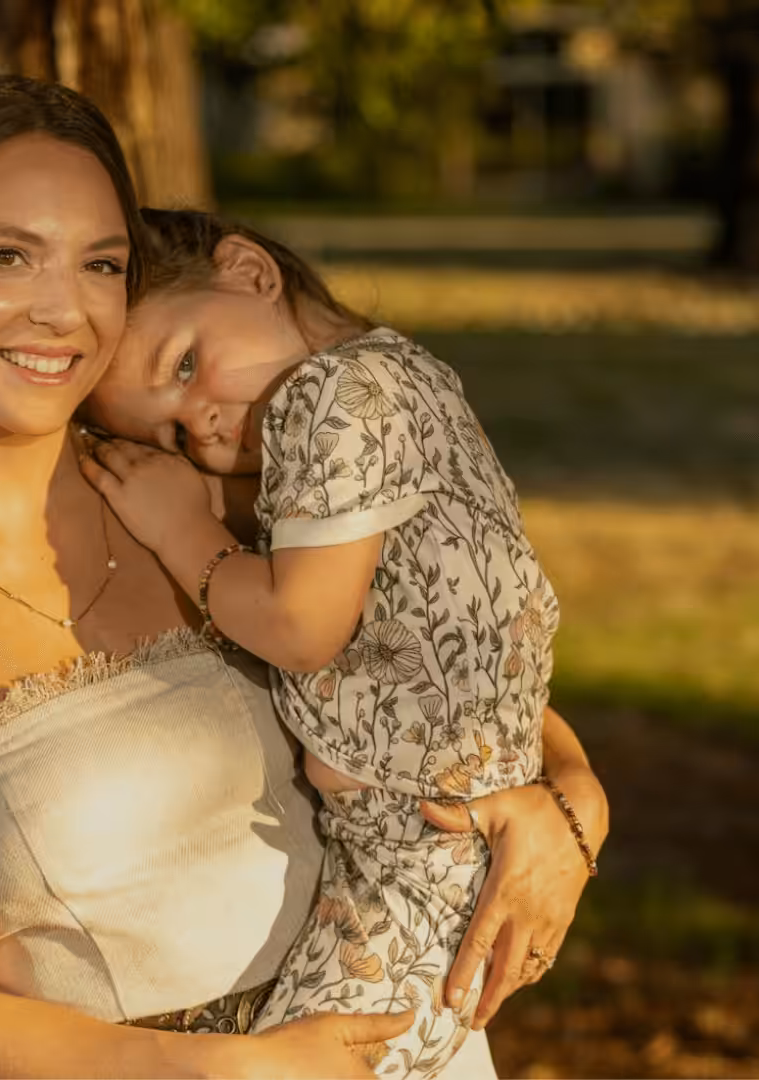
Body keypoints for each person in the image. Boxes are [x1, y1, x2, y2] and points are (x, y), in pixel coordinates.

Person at [0, 76, 607, 1079]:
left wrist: (571, 808)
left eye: (99, 263)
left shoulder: (198, 503)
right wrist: (236, 1072)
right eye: (7, 255)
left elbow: (454, 665)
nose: (61, 309)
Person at [78, 209, 591, 1078]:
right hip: (453, 842)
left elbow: (303, 629)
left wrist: (184, 538)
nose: (201, 422)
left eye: (187, 364)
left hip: (415, 845)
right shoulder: (413, 376)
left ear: (249, 271)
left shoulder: (329, 399)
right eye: (168, 431)